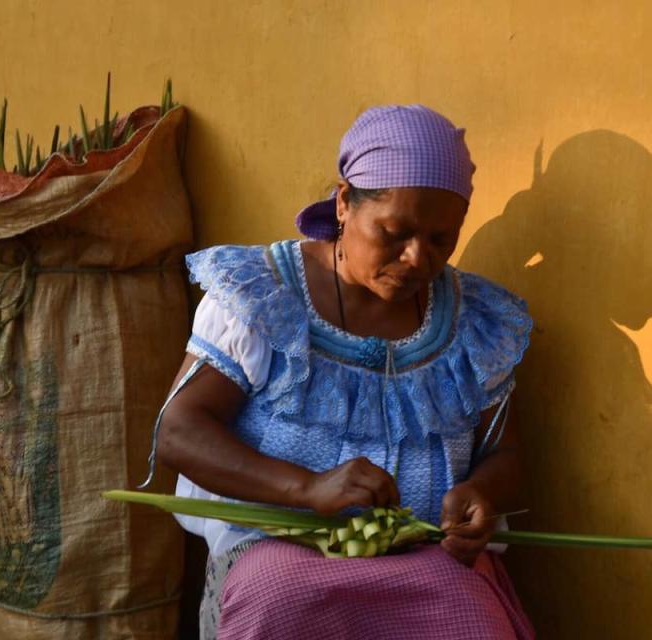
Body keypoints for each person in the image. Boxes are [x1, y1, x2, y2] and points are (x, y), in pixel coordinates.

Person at [156, 104, 534, 639]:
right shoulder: (264, 295)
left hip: (425, 557)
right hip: (282, 549)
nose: (415, 258)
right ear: (343, 203)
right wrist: (306, 488)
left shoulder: (476, 321)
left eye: (440, 240)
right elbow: (179, 431)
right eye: (394, 232)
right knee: (279, 603)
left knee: (473, 622)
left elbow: (507, 453)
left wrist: (483, 492)